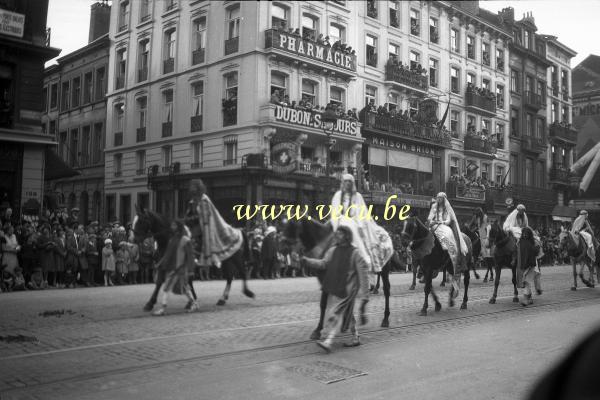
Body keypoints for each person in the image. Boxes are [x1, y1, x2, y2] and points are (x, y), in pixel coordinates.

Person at [302, 222, 370, 352]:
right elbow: (323, 264)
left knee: (335, 313)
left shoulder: (355, 253)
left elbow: (363, 274)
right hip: (336, 286)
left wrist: (365, 296)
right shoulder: (333, 250)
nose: (336, 235)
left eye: (340, 233)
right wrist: (307, 261)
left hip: (348, 290)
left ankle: (328, 341)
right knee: (348, 314)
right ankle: (356, 337)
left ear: (346, 236)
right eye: (336, 233)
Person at [330, 173, 393, 286]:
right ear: (343, 183)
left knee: (365, 239)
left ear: (352, 183)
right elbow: (334, 212)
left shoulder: (357, 196)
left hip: (356, 222)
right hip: (341, 223)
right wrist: (338, 223)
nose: (347, 184)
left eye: (350, 181)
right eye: (346, 181)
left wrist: (359, 223)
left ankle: (367, 269)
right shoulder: (338, 196)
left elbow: (362, 212)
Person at [187, 179, 243, 269]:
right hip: (196, 225)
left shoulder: (204, 200)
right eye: (190, 186)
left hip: (205, 225)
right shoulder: (192, 201)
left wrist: (194, 218)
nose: (191, 188)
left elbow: (205, 216)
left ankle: (209, 256)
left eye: (193, 186)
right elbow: (190, 213)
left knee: (205, 236)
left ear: (198, 188)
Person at [152, 220, 199, 316]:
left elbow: (190, 256)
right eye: (172, 225)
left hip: (179, 269)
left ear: (178, 227)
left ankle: (162, 308)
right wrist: (160, 263)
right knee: (185, 288)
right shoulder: (172, 239)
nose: (172, 227)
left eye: (174, 225)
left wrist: (190, 270)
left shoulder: (185, 240)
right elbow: (167, 254)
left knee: (167, 288)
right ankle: (194, 303)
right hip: (172, 268)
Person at [427, 192, 468, 296]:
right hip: (434, 226)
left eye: (440, 198)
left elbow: (449, 219)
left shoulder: (447, 208)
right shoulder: (434, 207)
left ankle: (448, 249)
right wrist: (431, 221)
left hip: (443, 226)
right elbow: (430, 217)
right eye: (438, 198)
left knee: (447, 232)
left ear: (444, 199)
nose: (439, 200)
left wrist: (442, 222)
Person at [518, 226, 542, 306]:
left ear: (529, 234)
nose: (525, 235)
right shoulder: (520, 242)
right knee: (526, 282)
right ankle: (529, 298)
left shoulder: (532, 242)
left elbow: (535, 252)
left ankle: (525, 300)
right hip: (523, 265)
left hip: (531, 265)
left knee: (526, 282)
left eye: (526, 233)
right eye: (523, 233)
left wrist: (537, 248)